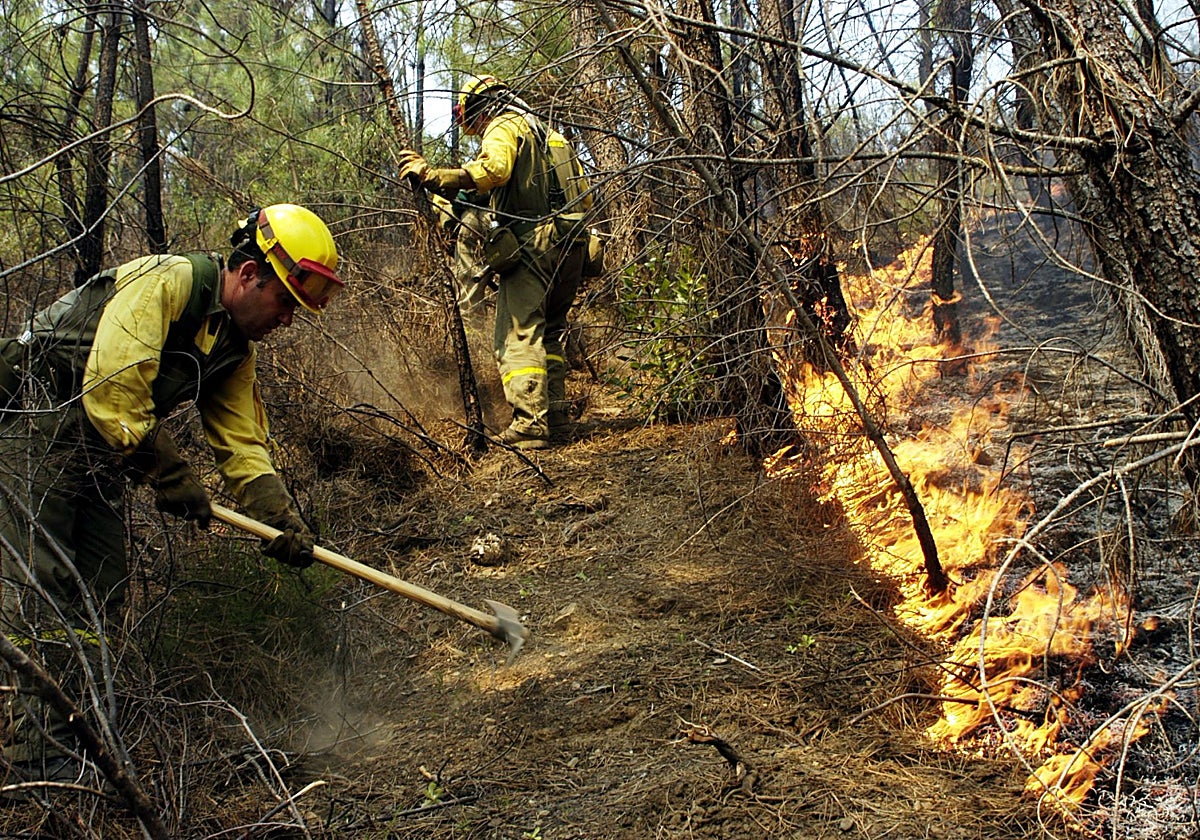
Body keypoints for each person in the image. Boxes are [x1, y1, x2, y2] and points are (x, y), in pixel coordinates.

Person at [0, 203, 341, 784]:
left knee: (103, 587)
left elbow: (242, 443)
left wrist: (278, 515)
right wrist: (168, 472)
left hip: (99, 449)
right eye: (285, 301)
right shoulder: (169, 281)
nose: (287, 319)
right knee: (48, 588)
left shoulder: (233, 349)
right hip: (34, 423)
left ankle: (80, 734)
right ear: (249, 274)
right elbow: (112, 390)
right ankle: (39, 763)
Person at [399, 74, 595, 450]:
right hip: (573, 244)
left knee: (518, 336)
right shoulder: (552, 135)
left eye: (468, 116)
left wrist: (435, 177)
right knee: (549, 334)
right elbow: (584, 198)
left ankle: (529, 425)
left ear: (480, 106)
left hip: (534, 244)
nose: (471, 126)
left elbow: (495, 170)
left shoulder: (503, 125)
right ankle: (554, 416)